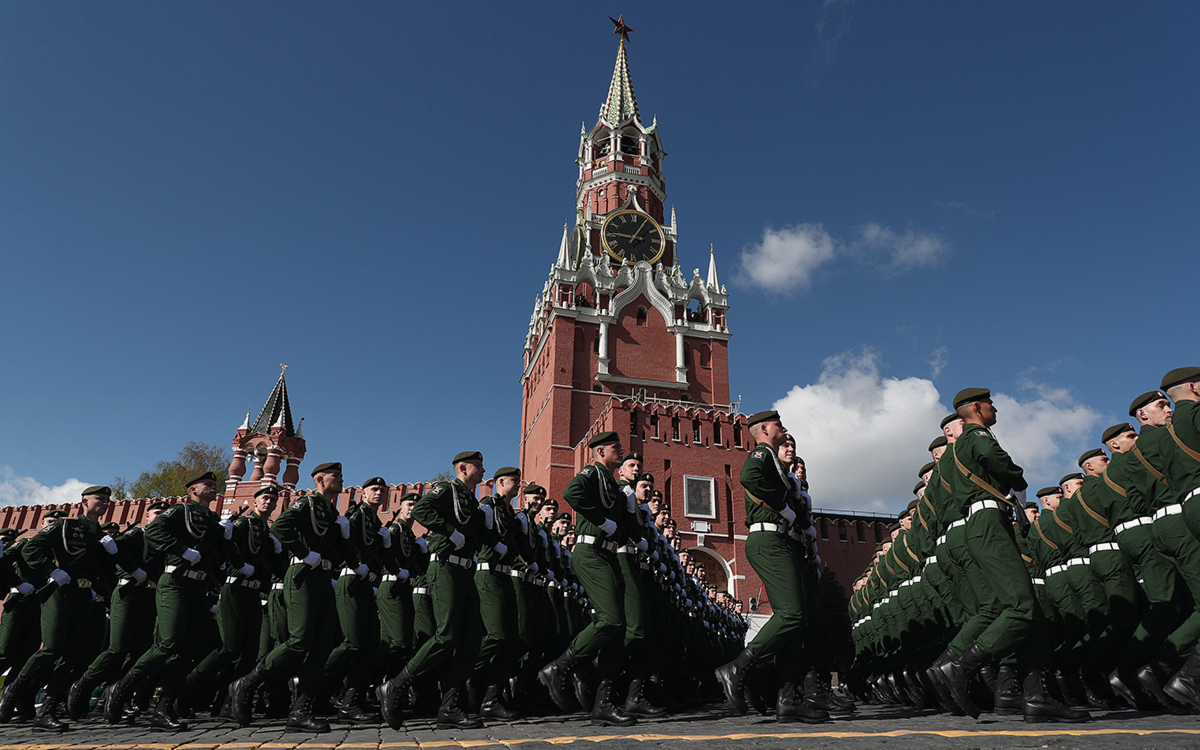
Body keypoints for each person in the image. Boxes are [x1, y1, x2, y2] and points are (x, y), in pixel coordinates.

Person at [935, 388, 1087, 723]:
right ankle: (962, 666)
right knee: (1021, 607)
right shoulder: (977, 436)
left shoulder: (959, 448)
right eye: (990, 403)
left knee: (1028, 610)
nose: (995, 408)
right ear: (977, 407)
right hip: (988, 521)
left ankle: (1036, 697)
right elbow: (1007, 468)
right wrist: (1018, 477)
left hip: (984, 523)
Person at [714, 410, 828, 723]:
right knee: (792, 615)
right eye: (779, 425)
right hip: (769, 541)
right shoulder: (762, 454)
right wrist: (781, 508)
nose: (785, 428)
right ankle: (737, 668)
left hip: (784, 542)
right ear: (764, 429)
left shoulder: (774, 461)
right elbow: (748, 477)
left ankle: (787, 698)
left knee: (798, 624)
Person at [230, 462, 345, 732]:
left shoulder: (331, 511)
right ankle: (246, 682)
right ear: (319, 480)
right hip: (302, 575)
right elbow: (281, 527)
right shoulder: (307, 504)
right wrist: (305, 553)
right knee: (299, 640)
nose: (340, 479)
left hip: (323, 579)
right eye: (335, 476)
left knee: (321, 647)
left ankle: (300, 712)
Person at [379, 451, 486, 730]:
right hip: (446, 567)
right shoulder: (448, 489)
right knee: (447, 634)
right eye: (479, 466)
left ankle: (450, 706)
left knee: (471, 637)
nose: (484, 470)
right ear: (463, 468)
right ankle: (397, 684)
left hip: (465, 571)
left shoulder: (470, 499)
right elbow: (422, 509)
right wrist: (450, 532)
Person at [539, 431, 637, 726]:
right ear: (599, 451)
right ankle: (559, 667)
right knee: (610, 620)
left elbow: (631, 533)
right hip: (590, 551)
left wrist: (629, 508)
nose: (620, 451)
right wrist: (603, 520)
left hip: (608, 555)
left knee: (617, 631)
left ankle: (603, 703)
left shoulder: (613, 484)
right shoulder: (592, 472)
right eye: (615, 448)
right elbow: (572, 494)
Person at [0, 485, 116, 731]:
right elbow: (31, 547)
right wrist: (50, 570)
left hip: (84, 595)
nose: (105, 503)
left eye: (107, 500)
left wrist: (111, 555)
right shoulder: (67, 526)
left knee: (74, 656)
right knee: (51, 648)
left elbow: (104, 570)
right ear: (84, 501)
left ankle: (48, 710)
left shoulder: (101, 535)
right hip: (60, 592)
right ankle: (11, 694)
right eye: (99, 498)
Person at [68, 500, 170, 721]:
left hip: (150, 595)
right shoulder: (137, 535)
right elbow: (117, 549)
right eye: (157, 513)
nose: (161, 517)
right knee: (117, 649)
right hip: (128, 593)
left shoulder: (165, 540)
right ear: (148, 517)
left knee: (139, 653)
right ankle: (82, 685)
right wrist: (134, 570)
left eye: (164, 514)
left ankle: (115, 699)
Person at [474, 466, 523, 719]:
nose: (518, 484)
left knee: (511, 641)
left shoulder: (509, 513)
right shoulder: (487, 504)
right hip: (488, 572)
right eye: (513, 480)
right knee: (496, 635)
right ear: (499, 482)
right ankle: (461, 675)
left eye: (519, 480)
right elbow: (477, 530)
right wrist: (493, 543)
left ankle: (491, 700)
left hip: (505, 575)